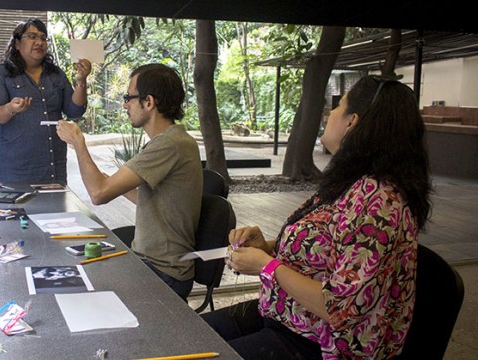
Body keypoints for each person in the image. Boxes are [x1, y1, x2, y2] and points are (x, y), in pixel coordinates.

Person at [201, 75, 432, 359]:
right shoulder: (351, 182)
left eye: (337, 106)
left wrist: (267, 265)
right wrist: (267, 247)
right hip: (285, 317)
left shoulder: (378, 202)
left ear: (352, 121)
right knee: (187, 334)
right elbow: (328, 250)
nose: (329, 114)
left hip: (321, 344)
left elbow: (339, 306)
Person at [56, 64, 203, 301]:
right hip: (153, 262)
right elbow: (148, 198)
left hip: (163, 272)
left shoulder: (169, 144)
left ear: (148, 102)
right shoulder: (171, 140)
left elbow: (98, 194)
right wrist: (112, 181)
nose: (125, 105)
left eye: (128, 98)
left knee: (76, 288)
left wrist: (77, 142)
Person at [0, 18, 92, 184]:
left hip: (53, 168)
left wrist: (82, 79)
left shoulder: (56, 74)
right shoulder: (3, 73)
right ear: (17, 44)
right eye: (32, 37)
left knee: (54, 209)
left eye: (43, 38)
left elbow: (75, 111)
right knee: (17, 210)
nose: (39, 42)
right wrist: (10, 108)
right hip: (15, 170)